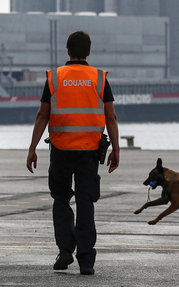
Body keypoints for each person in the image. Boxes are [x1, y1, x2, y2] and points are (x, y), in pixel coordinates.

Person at [26, 30, 120, 275]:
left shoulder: (55, 77)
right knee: (86, 201)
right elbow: (111, 117)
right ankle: (86, 260)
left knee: (61, 199)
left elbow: (42, 115)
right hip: (89, 151)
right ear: (88, 52)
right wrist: (117, 150)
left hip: (60, 149)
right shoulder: (99, 78)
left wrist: (32, 148)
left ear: (67, 51)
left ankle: (65, 250)